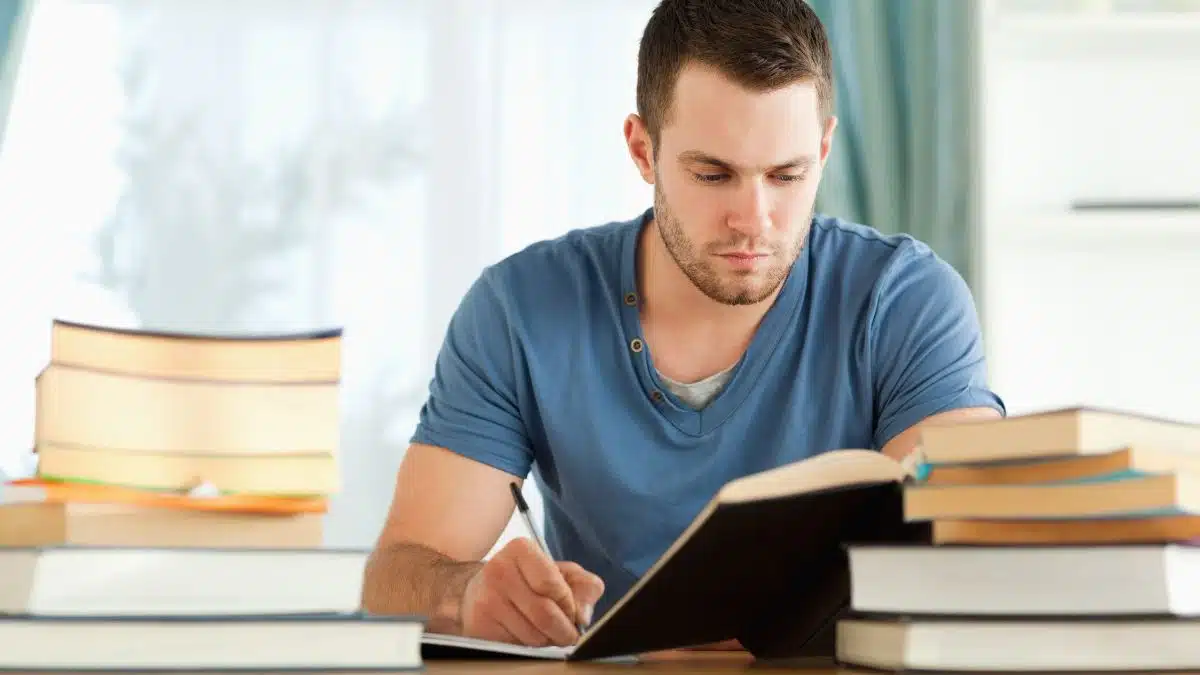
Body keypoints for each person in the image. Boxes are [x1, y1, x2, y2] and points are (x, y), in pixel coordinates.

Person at [361, 0, 1005, 651]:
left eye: (787, 174)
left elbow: (962, 553)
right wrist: (465, 591)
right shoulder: (520, 310)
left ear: (825, 147)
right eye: (712, 174)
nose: (754, 219)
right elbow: (394, 575)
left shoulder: (907, 301)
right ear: (643, 149)